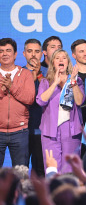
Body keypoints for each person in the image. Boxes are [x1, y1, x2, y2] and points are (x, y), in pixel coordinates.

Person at [36, 49, 85, 174]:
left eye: (64, 58)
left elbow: (79, 101)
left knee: (70, 168)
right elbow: (41, 101)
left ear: (68, 62)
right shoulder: (45, 82)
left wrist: (73, 82)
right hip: (50, 131)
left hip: (71, 129)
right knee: (52, 168)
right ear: (53, 63)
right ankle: (53, 193)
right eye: (57, 58)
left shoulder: (77, 81)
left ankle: (69, 193)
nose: (61, 60)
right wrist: (55, 83)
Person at [0, 38, 35, 167]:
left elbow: (30, 98)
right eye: (1, 51)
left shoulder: (25, 74)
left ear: (15, 54)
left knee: (20, 174)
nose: (4, 54)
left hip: (20, 131)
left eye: (8, 50)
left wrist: (11, 87)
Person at [22, 38, 47, 176]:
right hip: (21, 130)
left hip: (41, 129)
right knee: (21, 169)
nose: (33, 55)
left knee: (40, 170)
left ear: (42, 54)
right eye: (29, 51)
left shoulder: (48, 73)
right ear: (24, 53)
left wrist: (38, 75)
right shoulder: (18, 73)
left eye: (37, 51)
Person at [70, 39, 86, 171]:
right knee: (77, 168)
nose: (85, 54)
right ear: (74, 55)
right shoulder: (70, 75)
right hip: (75, 126)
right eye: (81, 51)